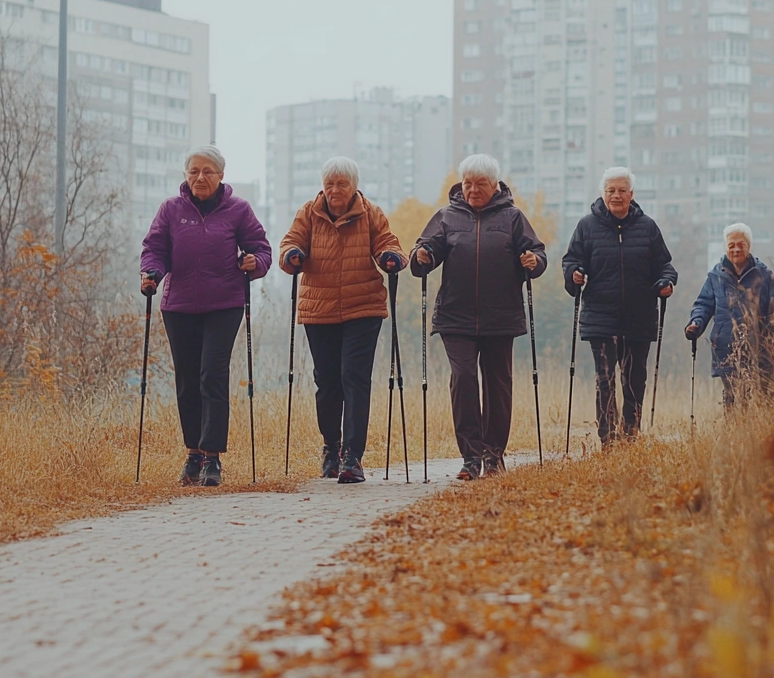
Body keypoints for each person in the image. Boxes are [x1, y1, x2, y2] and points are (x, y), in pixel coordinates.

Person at [409, 154, 547, 480]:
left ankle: (494, 456)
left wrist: (533, 261)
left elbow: (537, 253)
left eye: (480, 184)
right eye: (468, 183)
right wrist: (422, 256)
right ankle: (471, 457)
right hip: (455, 317)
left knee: (498, 385)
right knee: (464, 380)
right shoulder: (447, 216)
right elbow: (421, 255)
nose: (472, 190)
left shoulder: (513, 218)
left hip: (500, 316)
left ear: (494, 185)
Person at [140, 145, 272, 487]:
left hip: (224, 304)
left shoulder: (238, 210)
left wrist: (253, 263)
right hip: (179, 305)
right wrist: (152, 272)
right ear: (186, 175)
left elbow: (261, 248)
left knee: (212, 374)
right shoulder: (171, 210)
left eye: (207, 171)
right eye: (194, 171)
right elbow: (155, 248)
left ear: (221, 176)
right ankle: (193, 454)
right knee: (187, 379)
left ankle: (213, 458)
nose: (200, 177)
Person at [278, 157, 406, 484]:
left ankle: (353, 456)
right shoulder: (309, 212)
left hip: (363, 308)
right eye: (330, 184)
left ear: (353, 187)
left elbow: (387, 243)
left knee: (355, 378)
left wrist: (391, 258)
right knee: (327, 381)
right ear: (323, 186)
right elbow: (290, 242)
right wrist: (293, 255)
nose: (335, 190)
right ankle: (331, 448)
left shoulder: (370, 213)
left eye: (342, 184)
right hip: (319, 309)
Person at [562, 167, 676, 447]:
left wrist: (665, 281)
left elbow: (664, 265)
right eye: (611, 190)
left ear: (631, 194)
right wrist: (574, 274)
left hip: (639, 318)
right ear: (603, 193)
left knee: (635, 382)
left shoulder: (647, 226)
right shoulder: (587, 226)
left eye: (622, 190)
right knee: (605, 381)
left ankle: (630, 436)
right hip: (601, 318)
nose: (616, 195)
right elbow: (571, 260)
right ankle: (608, 439)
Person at [684, 223, 774, 407]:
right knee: (732, 399)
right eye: (731, 245)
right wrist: (696, 323)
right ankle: (734, 434)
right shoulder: (715, 277)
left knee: (764, 400)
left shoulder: (764, 276)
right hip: (726, 347)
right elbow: (704, 305)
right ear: (725, 247)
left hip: (760, 349)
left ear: (749, 247)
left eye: (741, 244)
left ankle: (761, 434)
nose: (736, 249)